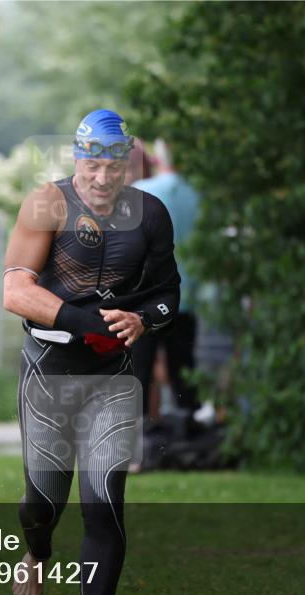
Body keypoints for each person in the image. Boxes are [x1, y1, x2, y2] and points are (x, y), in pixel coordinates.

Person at [2, 109, 180, 595]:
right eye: (92, 166)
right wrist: (90, 324)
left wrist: (143, 319)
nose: (102, 179)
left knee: (103, 501)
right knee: (42, 503)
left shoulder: (151, 214)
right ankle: (37, 553)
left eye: (114, 167)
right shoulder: (46, 204)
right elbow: (15, 292)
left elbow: (169, 293)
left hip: (112, 378)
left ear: (129, 164)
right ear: (76, 158)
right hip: (49, 371)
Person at [131, 139, 202, 425]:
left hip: (145, 299)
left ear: (157, 159)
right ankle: (189, 427)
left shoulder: (141, 193)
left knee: (139, 371)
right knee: (182, 369)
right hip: (185, 298)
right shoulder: (199, 195)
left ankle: (138, 435)